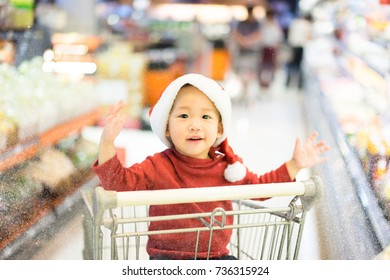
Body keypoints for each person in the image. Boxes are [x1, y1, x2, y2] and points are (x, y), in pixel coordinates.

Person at [92, 73, 330, 260]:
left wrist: (295, 164)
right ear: (167, 128)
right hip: (167, 261)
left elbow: (260, 189)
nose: (194, 125)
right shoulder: (157, 165)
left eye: (205, 117)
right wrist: (107, 143)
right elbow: (118, 185)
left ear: (218, 129)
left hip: (217, 258)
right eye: (183, 116)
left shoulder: (228, 167)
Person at [231, 5, 262, 101]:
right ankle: (244, 89)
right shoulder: (242, 23)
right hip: (242, 52)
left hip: (252, 52)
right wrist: (244, 41)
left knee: (250, 72)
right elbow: (236, 34)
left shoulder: (256, 23)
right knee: (241, 72)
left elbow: (258, 35)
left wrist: (248, 41)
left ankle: (247, 90)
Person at [258, 8, 284, 89]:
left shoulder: (275, 25)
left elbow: (279, 38)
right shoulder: (263, 24)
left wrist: (277, 51)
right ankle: (262, 82)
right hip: (264, 47)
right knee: (263, 65)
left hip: (271, 48)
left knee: (270, 66)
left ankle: (268, 83)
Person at [285, 13, 313, 89]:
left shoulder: (294, 22)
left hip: (293, 46)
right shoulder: (307, 24)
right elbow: (309, 37)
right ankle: (299, 84)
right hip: (300, 47)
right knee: (299, 66)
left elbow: (289, 34)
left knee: (291, 65)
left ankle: (288, 82)